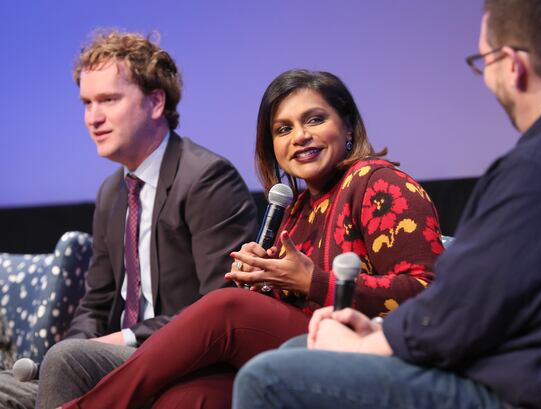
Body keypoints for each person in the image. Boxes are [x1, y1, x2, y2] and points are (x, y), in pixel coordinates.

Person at [232, 1, 541, 409]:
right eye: (283, 129)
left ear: (511, 65)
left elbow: (456, 304)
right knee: (288, 356)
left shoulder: (536, 170)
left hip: (518, 390)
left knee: (267, 379)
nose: (300, 136)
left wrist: (372, 343)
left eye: (483, 61)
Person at [56, 69, 443, 409]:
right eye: (283, 129)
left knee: (228, 309)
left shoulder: (379, 183)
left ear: (347, 125)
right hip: (299, 350)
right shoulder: (296, 207)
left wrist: (311, 281)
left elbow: (429, 292)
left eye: (315, 119)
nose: (301, 136)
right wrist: (262, 280)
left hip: (370, 351)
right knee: (190, 398)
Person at [20, 30, 258, 409]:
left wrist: (119, 340)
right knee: (15, 381)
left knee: (67, 362)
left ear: (156, 102)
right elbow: (96, 303)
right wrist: (74, 345)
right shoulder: (111, 192)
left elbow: (222, 304)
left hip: (184, 358)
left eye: (108, 100)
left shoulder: (206, 178)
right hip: (122, 356)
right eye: (86, 103)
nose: (92, 118)